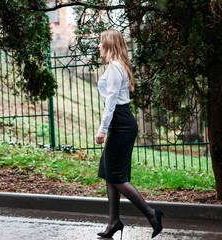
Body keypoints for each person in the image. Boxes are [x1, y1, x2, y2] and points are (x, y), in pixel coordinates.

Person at [95, 29, 165, 239]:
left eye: (101, 43)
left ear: (109, 44)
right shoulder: (115, 66)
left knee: (116, 176)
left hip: (120, 123)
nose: (99, 46)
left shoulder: (116, 68)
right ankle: (114, 222)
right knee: (110, 173)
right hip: (121, 122)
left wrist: (102, 129)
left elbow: (111, 102)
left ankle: (152, 214)